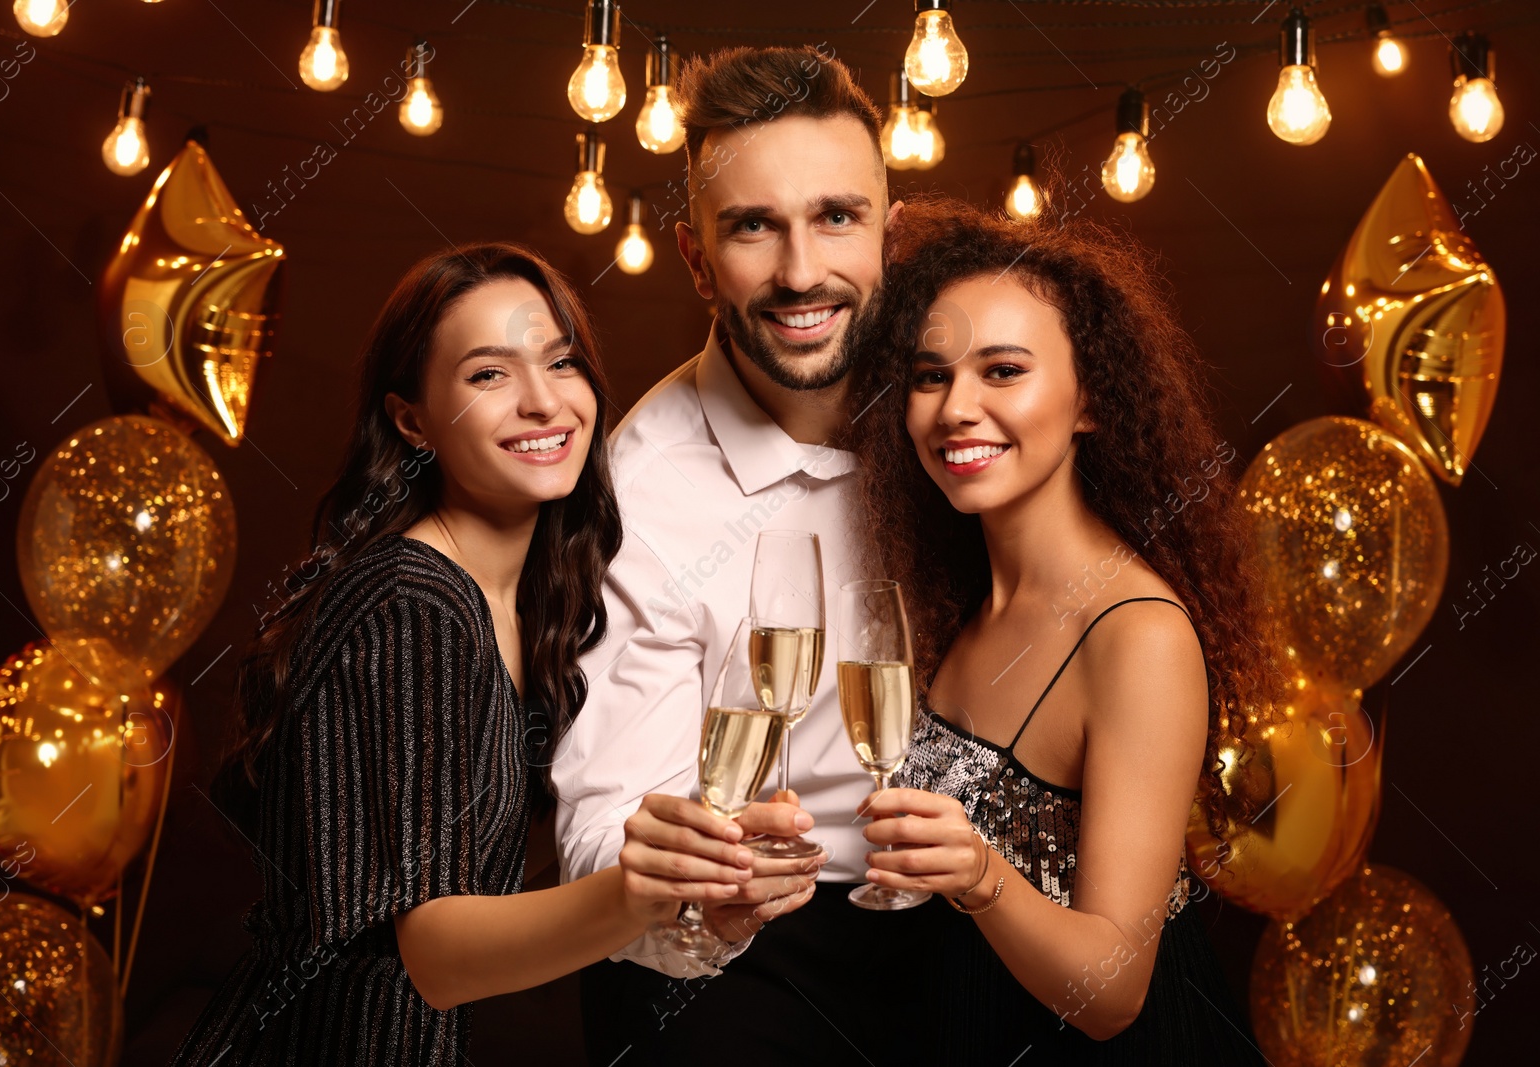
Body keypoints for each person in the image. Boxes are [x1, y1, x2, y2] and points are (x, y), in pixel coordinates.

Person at [170, 244, 753, 1067]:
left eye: (561, 361)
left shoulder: (530, 600)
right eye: (489, 375)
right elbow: (438, 954)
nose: (544, 401)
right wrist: (641, 891)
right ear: (411, 419)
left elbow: (494, 872)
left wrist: (692, 888)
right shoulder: (415, 600)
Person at [551, 46, 946, 1066]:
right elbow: (599, 831)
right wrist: (702, 896)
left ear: (889, 237)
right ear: (695, 258)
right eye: (753, 228)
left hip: (953, 915)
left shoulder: (956, 415)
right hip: (739, 949)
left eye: (836, 217)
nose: (801, 271)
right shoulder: (637, 490)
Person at [847, 196, 1275, 1063]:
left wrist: (976, 872)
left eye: (1003, 370)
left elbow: (1113, 993)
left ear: (1090, 401)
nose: (956, 407)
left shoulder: (1139, 636)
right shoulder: (957, 597)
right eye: (931, 375)